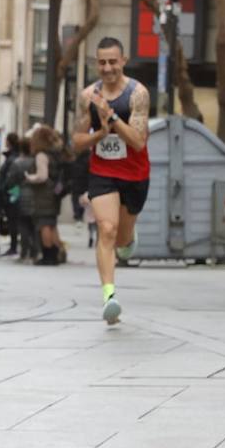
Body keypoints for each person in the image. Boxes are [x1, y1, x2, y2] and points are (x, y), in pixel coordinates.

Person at [73, 37, 151, 325]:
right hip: (103, 172)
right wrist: (98, 135)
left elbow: (139, 142)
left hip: (135, 174)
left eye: (113, 62)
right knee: (106, 229)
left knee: (121, 239)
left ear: (123, 61)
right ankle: (109, 297)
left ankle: (129, 237)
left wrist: (113, 118)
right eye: (102, 62)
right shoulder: (87, 96)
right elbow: (77, 141)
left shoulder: (137, 94)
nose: (107, 68)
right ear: (97, 63)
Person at [24, 124, 66, 266]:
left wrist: (30, 177)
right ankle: (55, 253)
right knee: (51, 224)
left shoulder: (41, 155)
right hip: (53, 193)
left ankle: (48, 255)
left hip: (44, 195)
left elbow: (42, 176)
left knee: (44, 225)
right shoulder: (54, 153)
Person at [0, 132, 23, 256]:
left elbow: (9, 178)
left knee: (13, 218)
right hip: (13, 190)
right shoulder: (15, 156)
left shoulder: (12, 158)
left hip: (12, 191)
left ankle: (14, 245)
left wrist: (4, 190)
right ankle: (15, 243)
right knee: (13, 218)